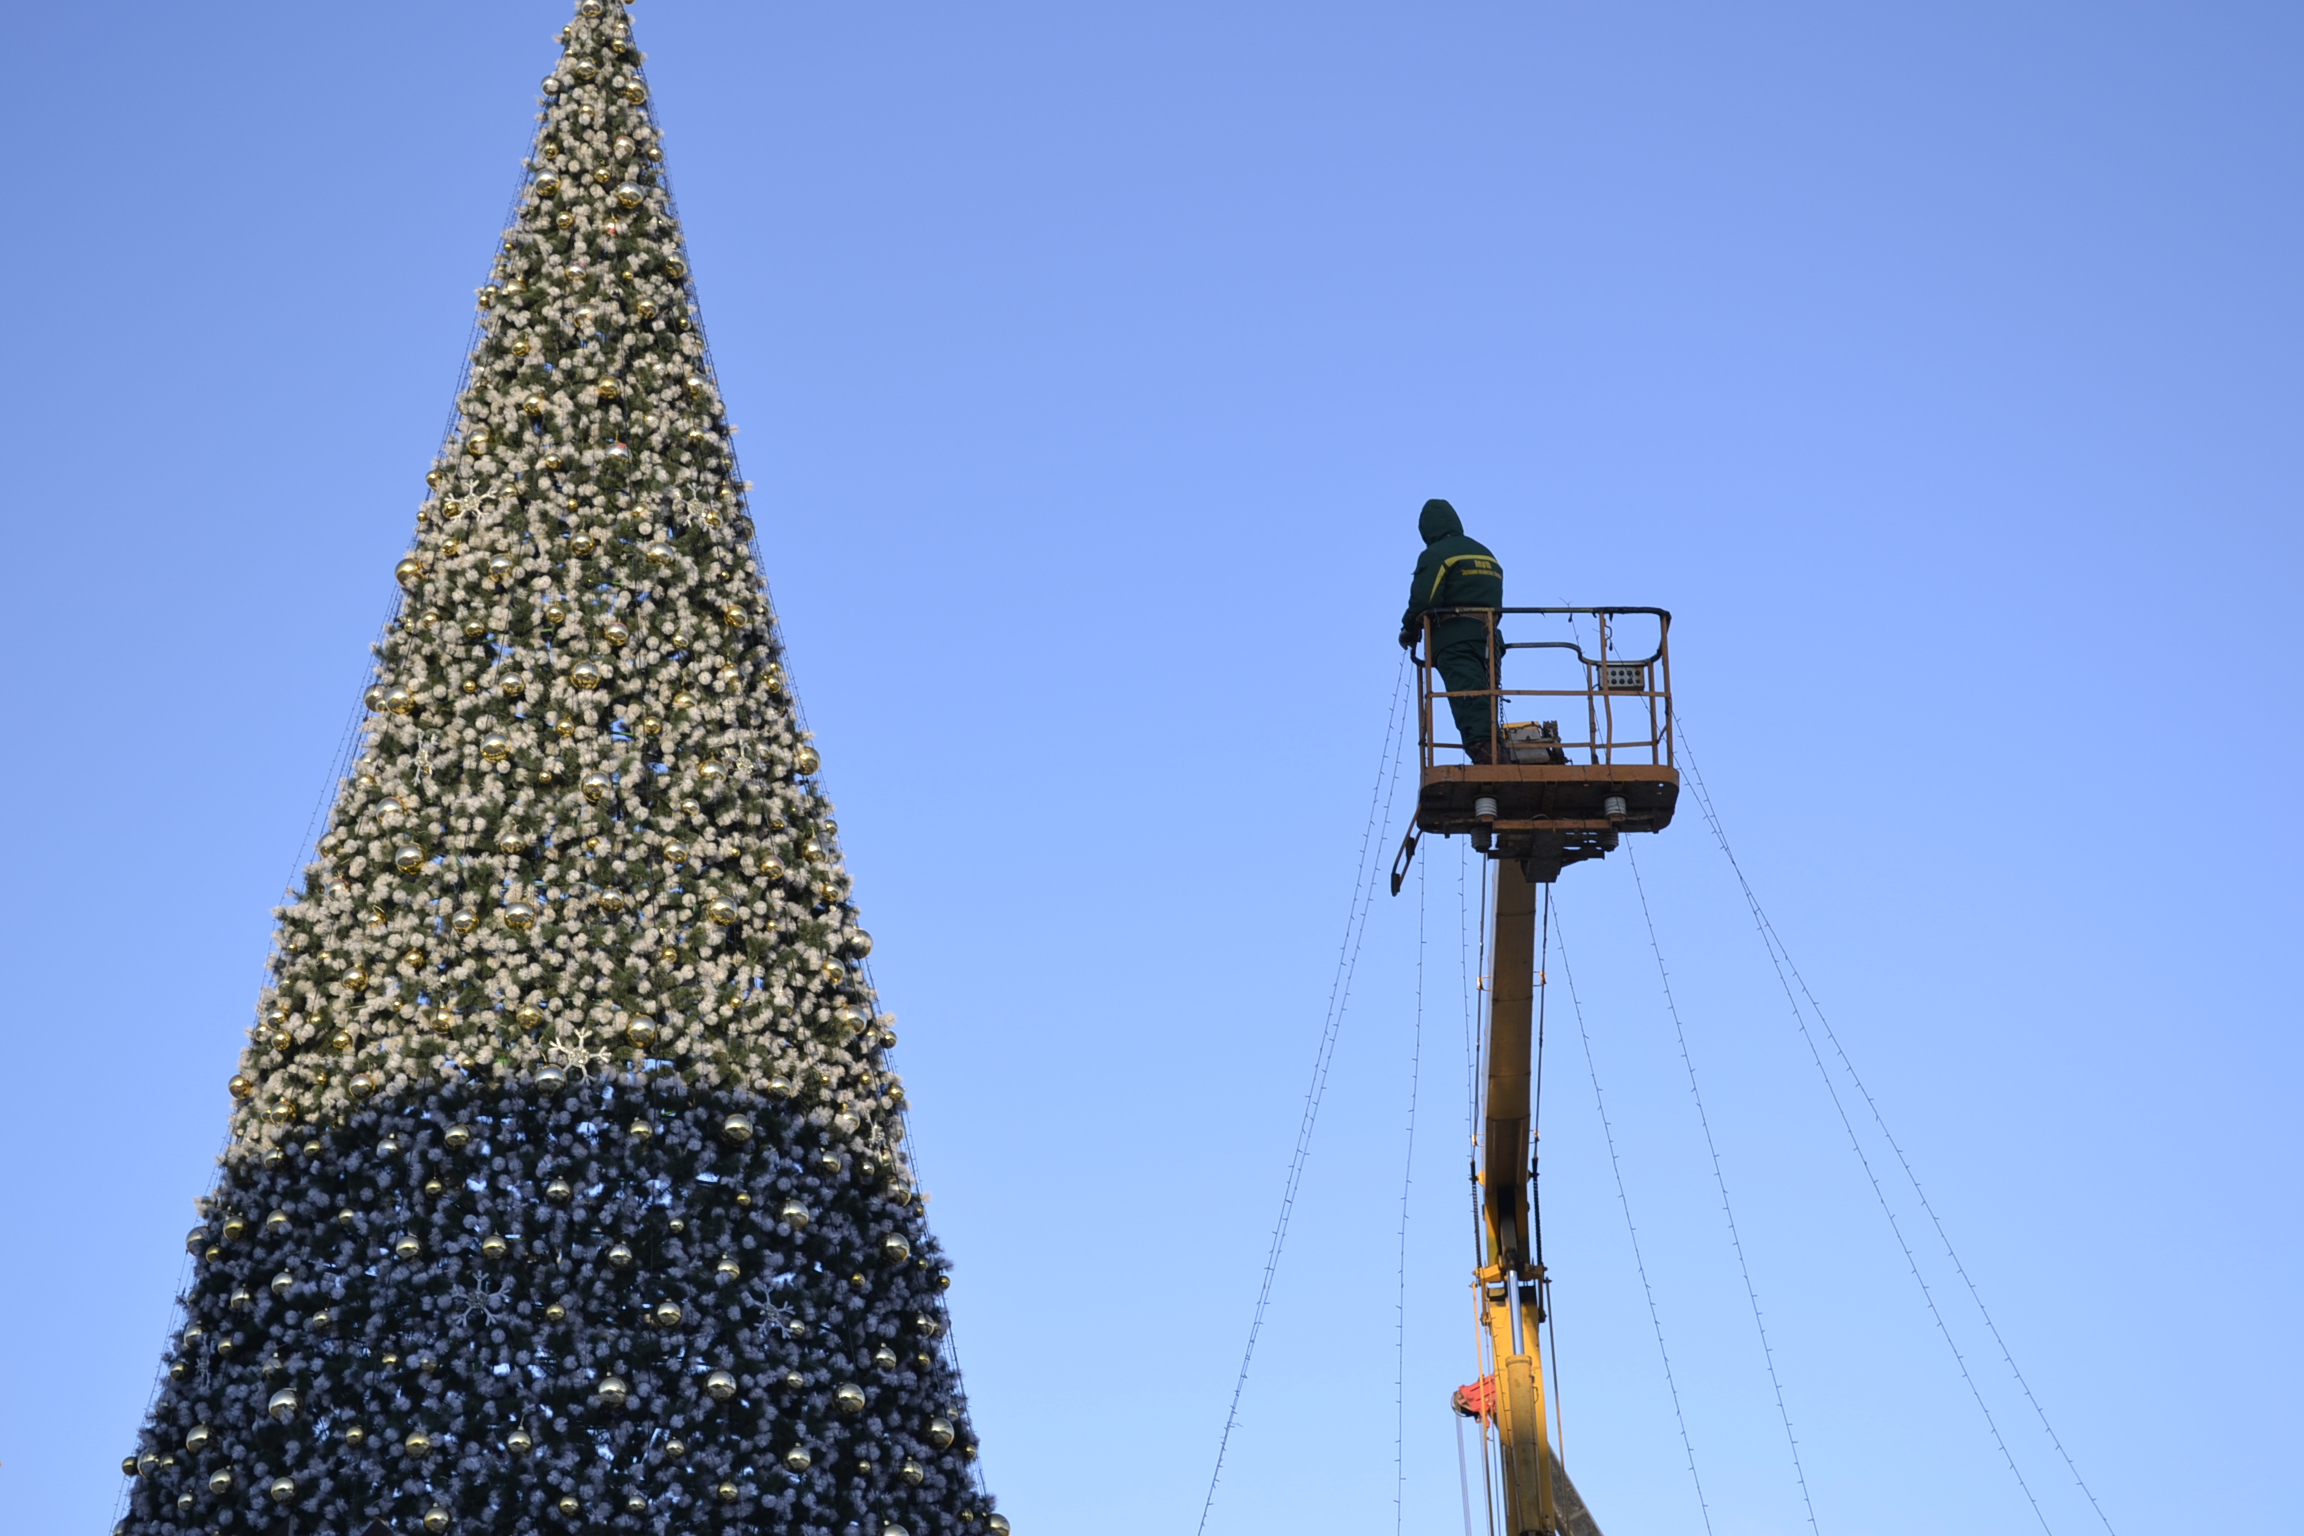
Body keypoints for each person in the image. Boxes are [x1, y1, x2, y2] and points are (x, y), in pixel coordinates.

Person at [1397, 498, 1503, 763]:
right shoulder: (1485, 553)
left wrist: (1409, 628)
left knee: (1468, 696)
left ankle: (1487, 753)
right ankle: (1498, 747)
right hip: (1489, 638)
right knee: (1487, 696)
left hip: (1455, 640)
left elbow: (1424, 600)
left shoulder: (1437, 554)